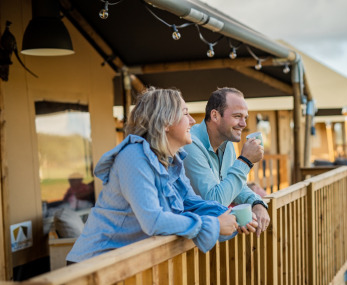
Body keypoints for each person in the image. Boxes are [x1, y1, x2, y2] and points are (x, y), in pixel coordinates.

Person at [67, 88, 257, 263]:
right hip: (91, 266)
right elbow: (154, 221)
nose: (192, 120)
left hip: (122, 263)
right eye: (185, 113)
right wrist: (214, 224)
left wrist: (232, 217)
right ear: (166, 122)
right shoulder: (133, 157)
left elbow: (192, 203)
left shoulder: (172, 160)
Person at [183, 87, 270, 237]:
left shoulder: (227, 143)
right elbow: (214, 201)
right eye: (237, 116)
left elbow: (235, 186)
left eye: (245, 117)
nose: (243, 124)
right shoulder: (190, 144)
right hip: (188, 243)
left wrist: (257, 202)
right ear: (215, 116)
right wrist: (245, 161)